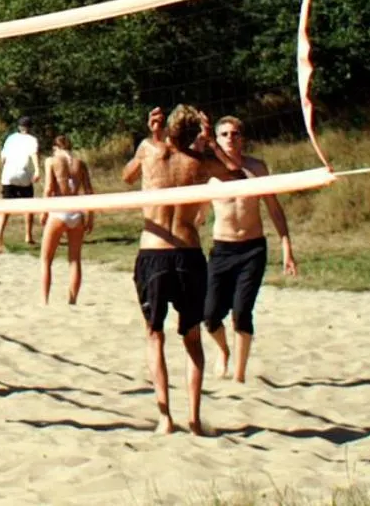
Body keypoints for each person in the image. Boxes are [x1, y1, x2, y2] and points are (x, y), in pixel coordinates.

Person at [121, 104, 242, 434]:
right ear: (195, 134)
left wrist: (152, 136)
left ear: (166, 127)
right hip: (189, 253)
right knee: (191, 338)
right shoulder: (199, 162)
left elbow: (126, 175)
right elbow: (236, 174)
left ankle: (165, 418)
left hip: (155, 251)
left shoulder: (149, 149)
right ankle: (194, 418)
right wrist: (212, 144)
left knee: (154, 334)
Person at [204, 115, 298, 383]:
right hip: (222, 248)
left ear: (242, 138)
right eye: (224, 134)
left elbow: (274, 209)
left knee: (241, 311)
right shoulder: (210, 173)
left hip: (252, 249)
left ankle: (240, 376)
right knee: (209, 316)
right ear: (217, 139)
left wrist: (286, 248)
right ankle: (223, 351)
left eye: (235, 134)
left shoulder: (256, 168)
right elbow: (195, 211)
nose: (230, 138)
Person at [38, 134, 95, 305]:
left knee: (46, 259)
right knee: (75, 259)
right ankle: (72, 300)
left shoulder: (52, 161)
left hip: (58, 209)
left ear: (55, 147)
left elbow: (48, 188)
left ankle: (44, 300)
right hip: (75, 210)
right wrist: (90, 217)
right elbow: (89, 191)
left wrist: (43, 210)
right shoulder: (80, 163)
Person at [0, 116, 40, 251]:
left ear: (19, 127)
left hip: (8, 174)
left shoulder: (10, 138)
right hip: (23, 174)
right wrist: (37, 170)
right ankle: (28, 235)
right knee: (28, 205)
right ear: (30, 127)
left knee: (5, 206)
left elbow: (3, 158)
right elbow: (34, 154)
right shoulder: (32, 140)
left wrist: (4, 171)